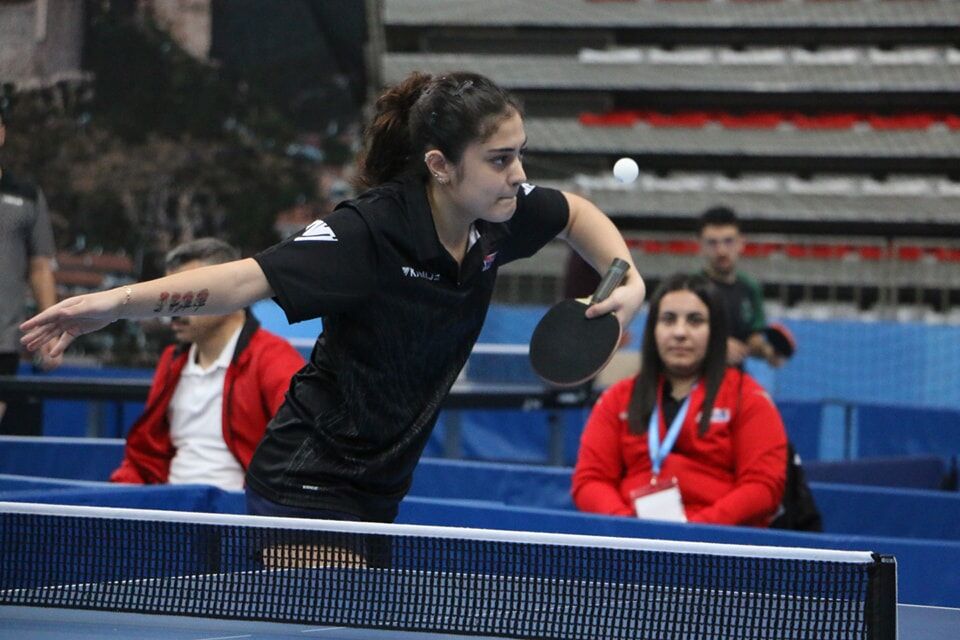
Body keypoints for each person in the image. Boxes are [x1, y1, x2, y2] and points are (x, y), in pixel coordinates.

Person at [21, 71, 646, 524]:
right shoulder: (367, 231)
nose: (519, 174)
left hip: (383, 486)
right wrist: (110, 305)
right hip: (308, 478)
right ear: (440, 165)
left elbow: (574, 213)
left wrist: (627, 275)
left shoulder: (500, 214)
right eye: (501, 159)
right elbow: (242, 280)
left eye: (520, 155)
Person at [572, 273, 787, 526]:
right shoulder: (616, 399)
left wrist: (694, 532)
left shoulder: (749, 398)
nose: (680, 332)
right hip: (632, 538)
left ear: (715, 331)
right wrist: (629, 527)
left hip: (715, 542)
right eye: (668, 319)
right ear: (653, 330)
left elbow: (763, 487)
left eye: (695, 321)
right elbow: (590, 480)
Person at [110, 238, 305, 490]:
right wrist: (118, 493)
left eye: (188, 296)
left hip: (239, 509)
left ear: (232, 295)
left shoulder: (274, 358)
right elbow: (147, 457)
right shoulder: (172, 361)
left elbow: (299, 450)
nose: (172, 311)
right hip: (168, 504)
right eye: (168, 298)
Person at [0, 103, 60, 431]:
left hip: (3, 340)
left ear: (2, 133)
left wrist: (50, 329)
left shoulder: (26, 196)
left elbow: (40, 268)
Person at [698, 206, 782, 368]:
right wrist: (717, 346)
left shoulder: (750, 287)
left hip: (736, 377)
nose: (721, 251)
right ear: (701, 246)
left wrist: (767, 351)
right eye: (712, 243)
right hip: (698, 376)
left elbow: (752, 338)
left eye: (728, 241)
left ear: (741, 243)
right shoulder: (691, 288)